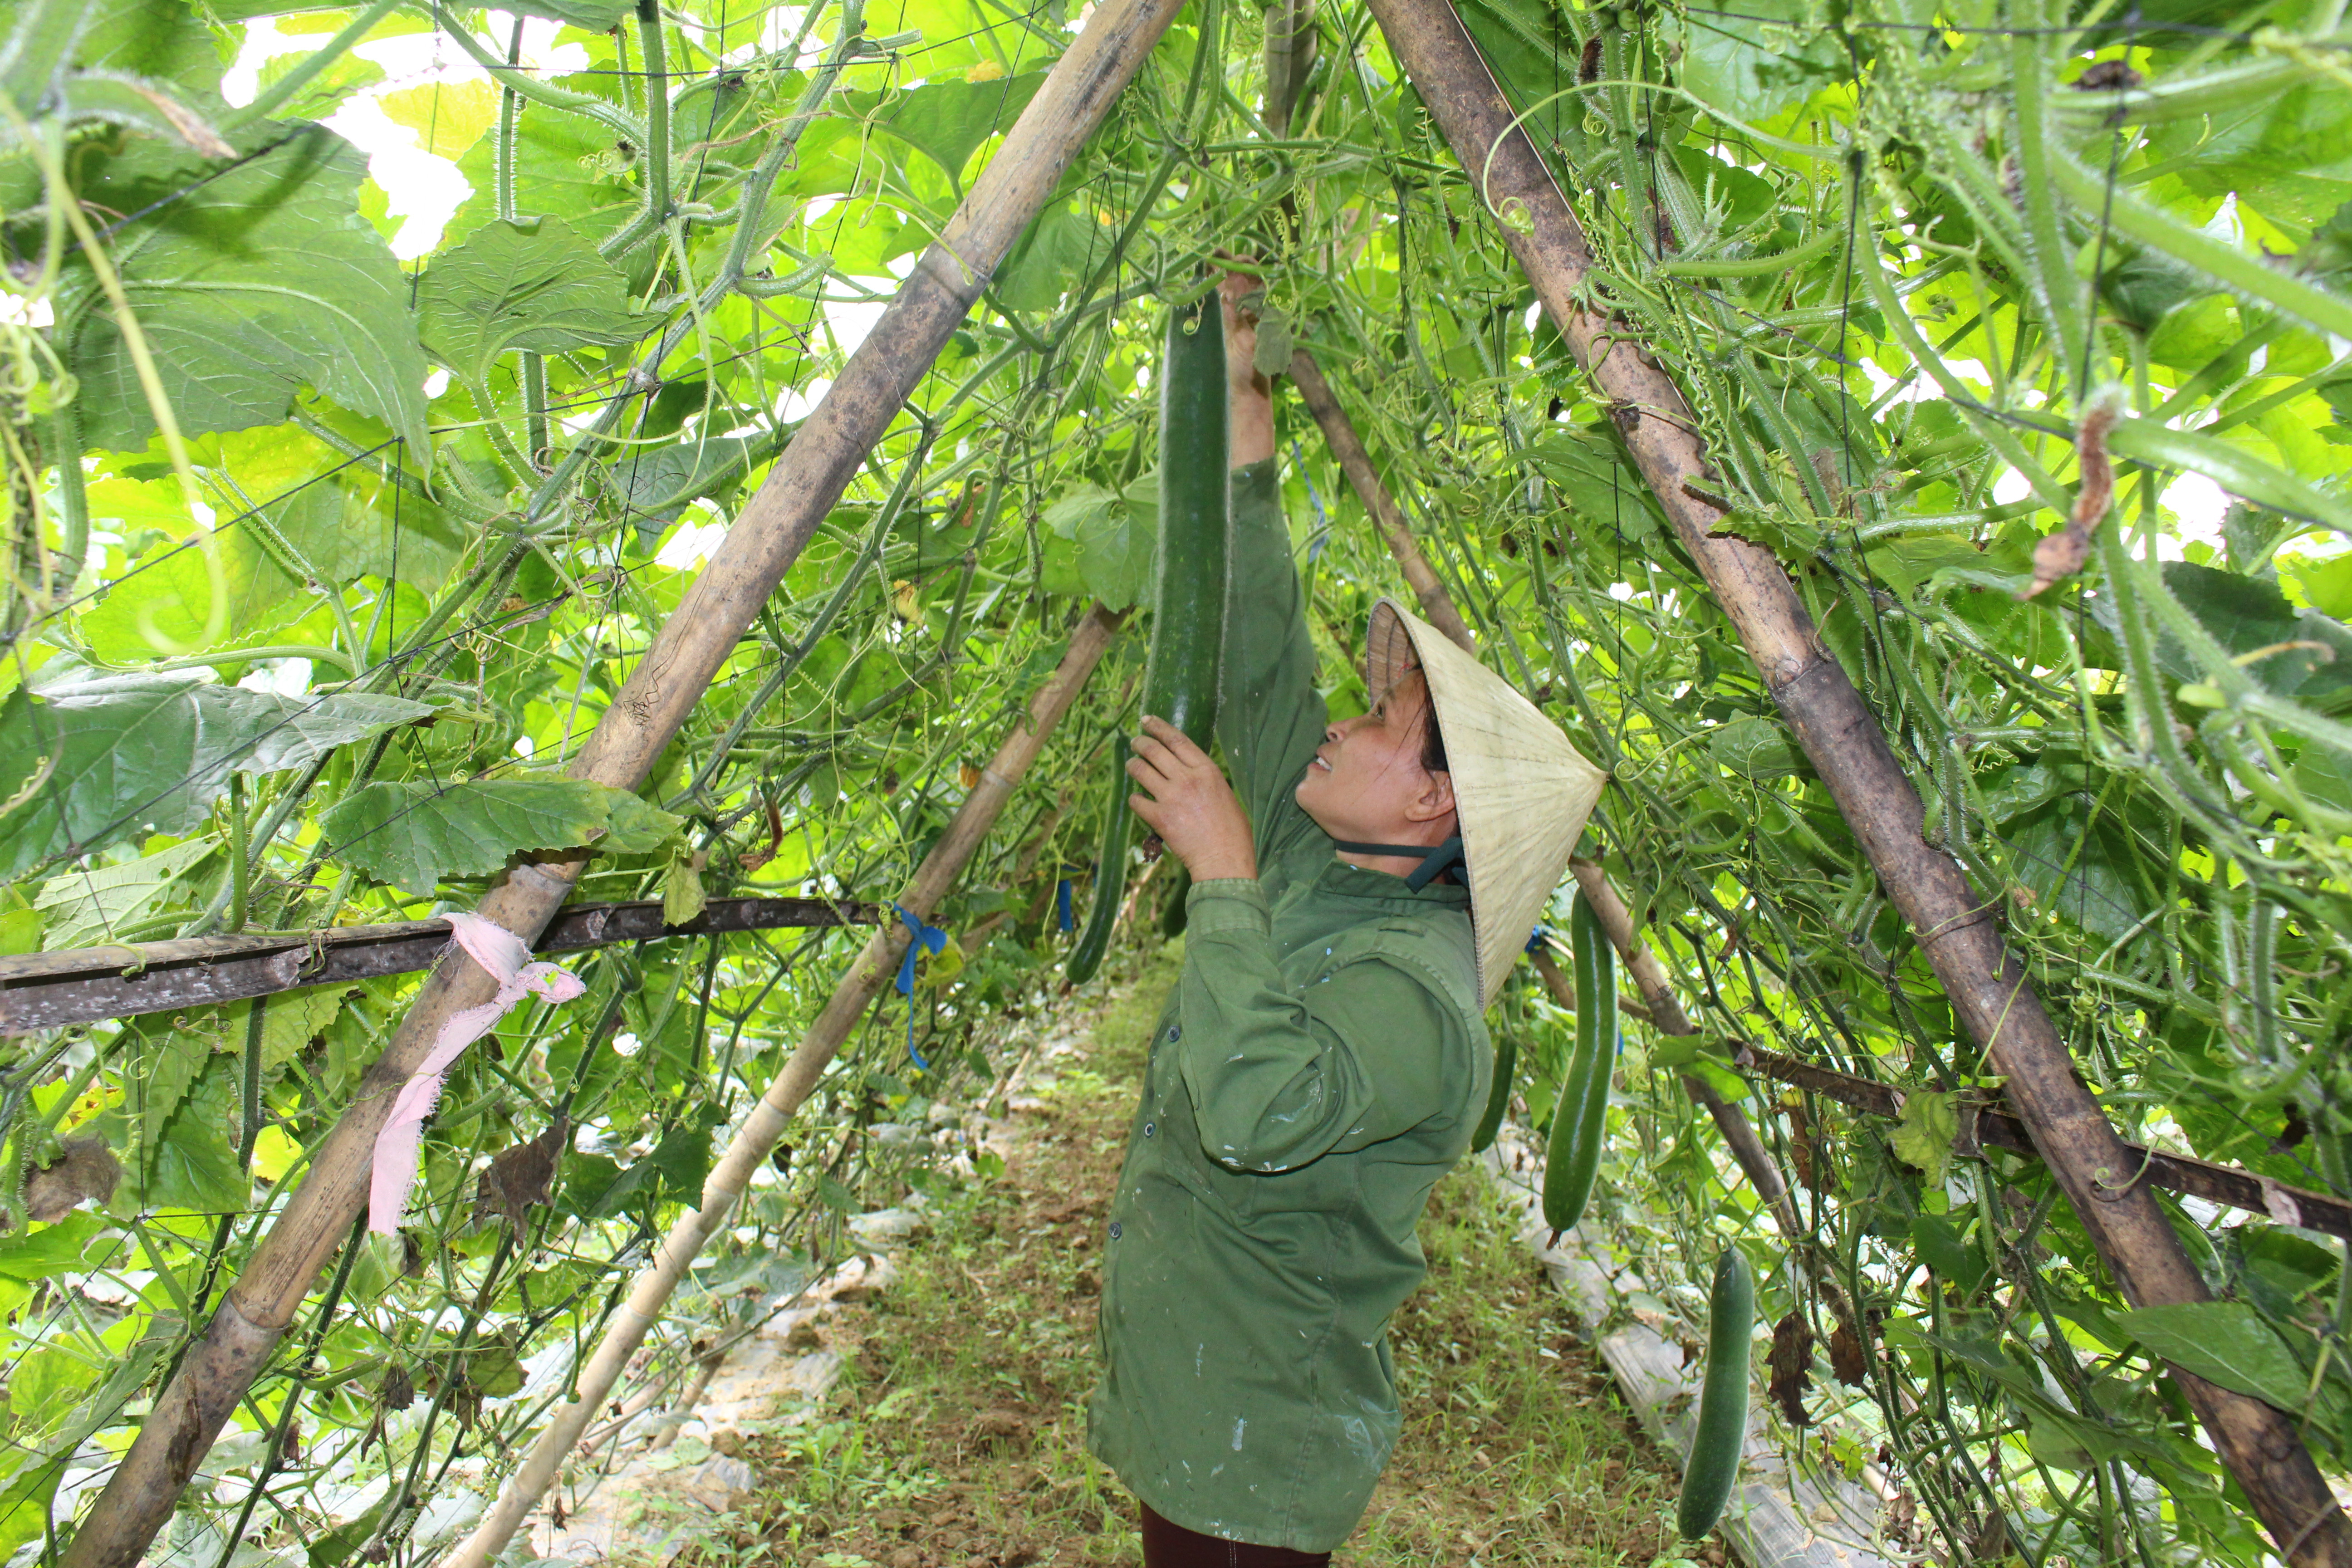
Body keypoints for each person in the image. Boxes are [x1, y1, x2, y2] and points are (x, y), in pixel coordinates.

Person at [1084, 274, 1607, 1563]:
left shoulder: (1422, 1000)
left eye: (1381, 722)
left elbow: (1259, 1111)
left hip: (1259, 1442)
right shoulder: (1325, 856)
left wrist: (1218, 872)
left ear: (1437, 799)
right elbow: (1259, 646)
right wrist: (1242, 398)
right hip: (1202, 1391)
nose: (1339, 719)